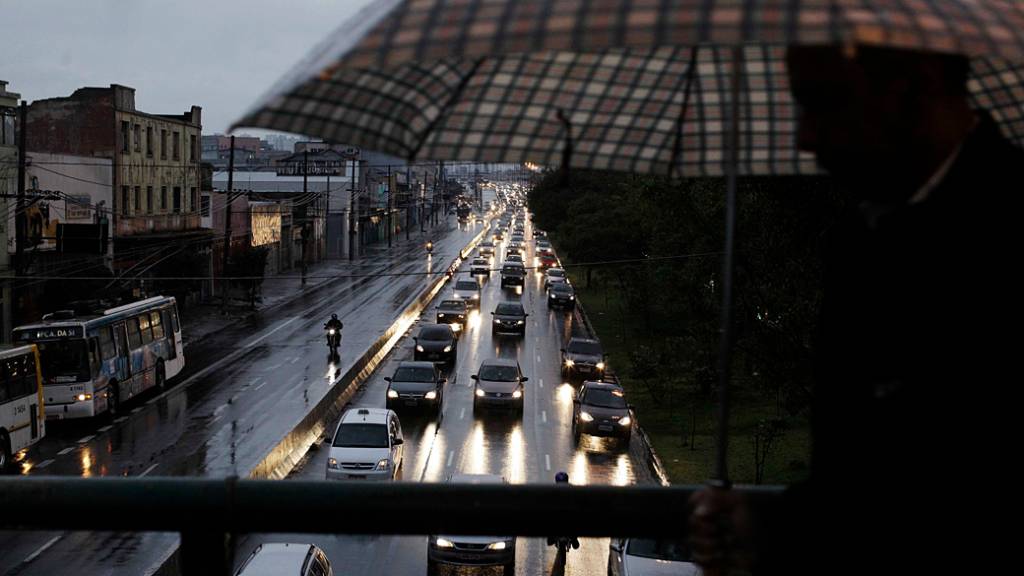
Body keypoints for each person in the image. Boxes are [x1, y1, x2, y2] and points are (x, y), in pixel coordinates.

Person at [688, 44, 1021, 576]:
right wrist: (767, 529)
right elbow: (854, 480)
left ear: (920, 81)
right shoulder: (860, 241)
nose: (805, 138)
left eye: (825, 101)